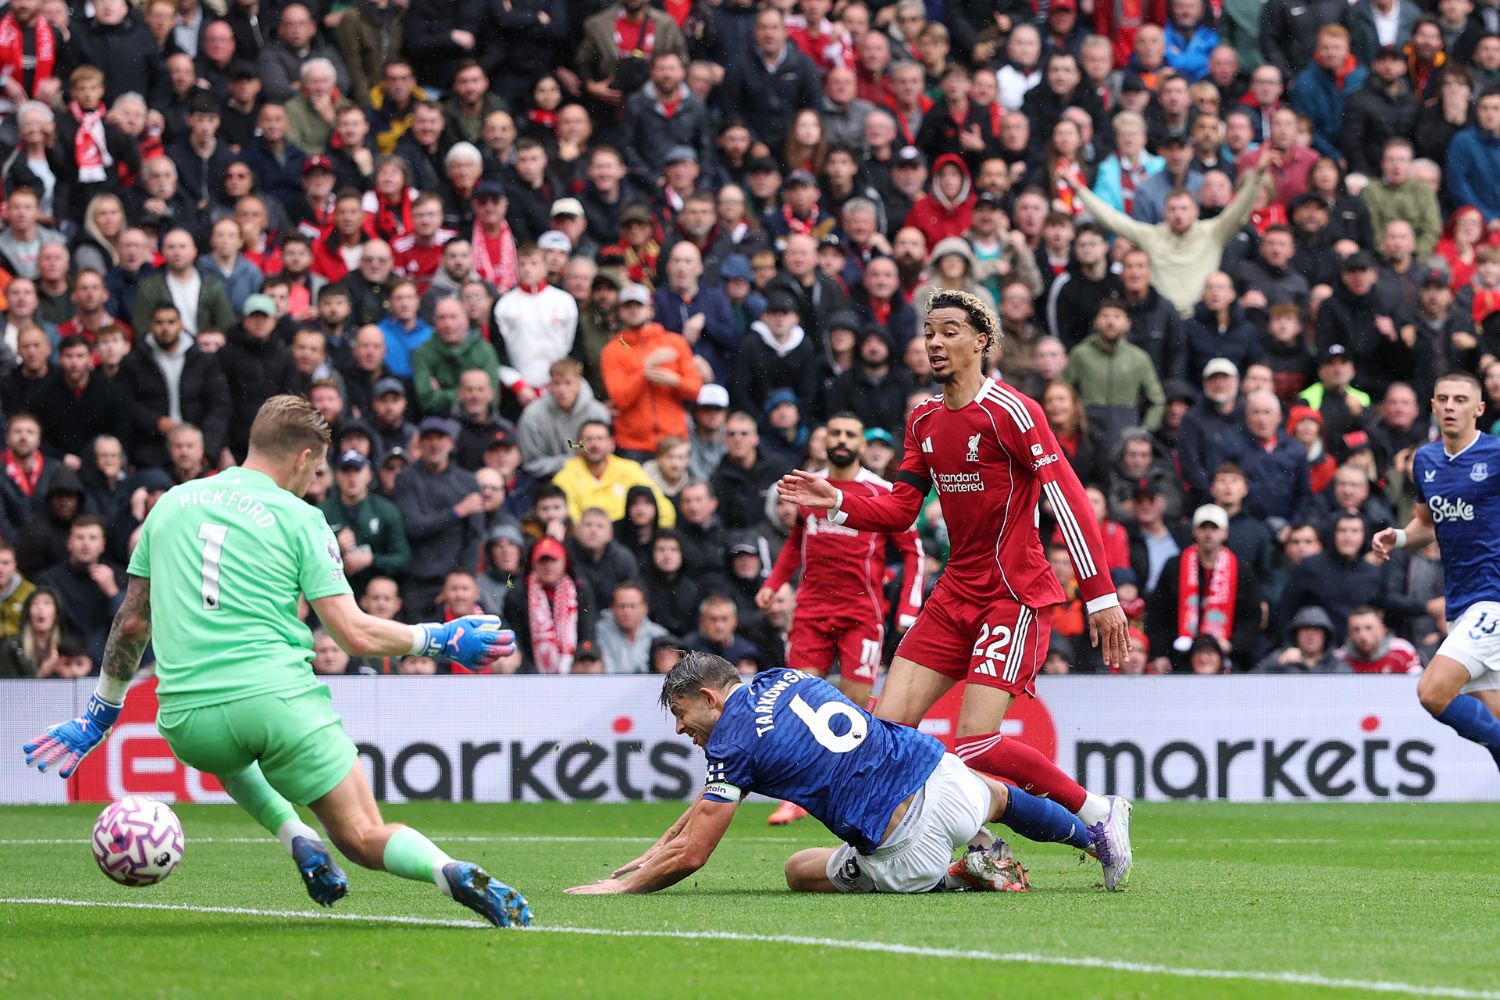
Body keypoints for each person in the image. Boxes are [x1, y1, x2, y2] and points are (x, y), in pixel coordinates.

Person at [22, 395, 529, 926]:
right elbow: (352, 633)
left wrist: (100, 713)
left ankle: (297, 838)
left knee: (229, 751)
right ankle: (447, 871)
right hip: (279, 704)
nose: (315, 480)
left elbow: (131, 622)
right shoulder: (304, 519)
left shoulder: (170, 503)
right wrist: (440, 640)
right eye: (318, 468)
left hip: (188, 721)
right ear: (304, 456)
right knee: (362, 834)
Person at [776, 289, 1133, 890]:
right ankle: (981, 849)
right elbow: (899, 509)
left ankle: (1098, 813)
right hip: (953, 596)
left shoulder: (1013, 412)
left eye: (948, 332)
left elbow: (1066, 497)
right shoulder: (922, 418)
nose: (935, 343)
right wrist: (840, 498)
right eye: (929, 332)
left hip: (1011, 594)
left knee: (976, 743)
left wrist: (1100, 594)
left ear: (982, 342)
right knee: (881, 739)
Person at [566, 655, 1091, 896]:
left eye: (681, 713)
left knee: (798, 869)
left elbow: (697, 852)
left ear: (709, 698)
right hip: (944, 779)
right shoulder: (781, 676)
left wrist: (624, 888)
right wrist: (665, 840)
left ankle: (957, 875)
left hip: (908, 850)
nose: (681, 728)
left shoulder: (731, 744)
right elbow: (711, 800)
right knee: (999, 795)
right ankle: (1098, 838)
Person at [754, 412, 924, 825]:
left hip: (861, 615)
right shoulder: (810, 487)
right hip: (811, 610)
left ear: (862, 445)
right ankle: (798, 795)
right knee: (798, 703)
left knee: (854, 708)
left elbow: (914, 552)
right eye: (836, 432)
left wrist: (908, 606)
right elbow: (796, 543)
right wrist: (775, 582)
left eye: (851, 433)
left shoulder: (881, 491)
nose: (843, 439)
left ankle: (855, 789)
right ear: (824, 439)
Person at [1373, 371, 1500, 776]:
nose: (1450, 406)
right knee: (1493, 724)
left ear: (1479, 409)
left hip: (1493, 601)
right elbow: (1427, 524)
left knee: (1431, 692)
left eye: (1461, 399)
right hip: (1462, 604)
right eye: (1443, 398)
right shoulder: (1425, 460)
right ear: (1431, 406)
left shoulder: (1496, 456)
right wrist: (1397, 536)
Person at [1062, 153, 1276, 317]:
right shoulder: (1151, 235)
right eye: (1172, 209)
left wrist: (1257, 176)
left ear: (1196, 211)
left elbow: (1238, 209)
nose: (1178, 214)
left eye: (1184, 209)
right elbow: (1113, 219)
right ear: (1164, 212)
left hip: (1200, 314)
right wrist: (1079, 190)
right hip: (1161, 316)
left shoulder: (1212, 232)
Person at [553, 420, 676, 527]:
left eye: (600, 439)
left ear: (611, 444)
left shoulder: (630, 470)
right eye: (588, 439)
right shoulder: (565, 477)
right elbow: (568, 519)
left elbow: (663, 509)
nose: (595, 445)